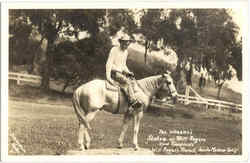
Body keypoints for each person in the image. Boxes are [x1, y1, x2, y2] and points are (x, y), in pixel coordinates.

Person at [106, 32, 142, 113]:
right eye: (124, 43)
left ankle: (127, 103)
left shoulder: (126, 52)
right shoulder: (114, 50)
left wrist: (129, 72)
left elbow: (123, 65)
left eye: (127, 43)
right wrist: (108, 77)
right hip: (114, 72)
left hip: (121, 72)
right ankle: (133, 102)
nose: (126, 45)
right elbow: (109, 63)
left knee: (133, 81)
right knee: (127, 82)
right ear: (121, 42)